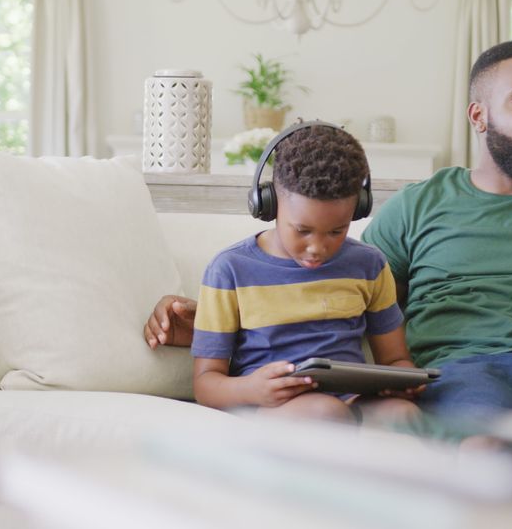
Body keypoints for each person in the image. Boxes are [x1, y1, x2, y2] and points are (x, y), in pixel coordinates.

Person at [147, 40, 512, 433]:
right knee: (478, 430)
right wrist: (207, 325)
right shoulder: (420, 203)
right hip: (464, 372)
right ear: (478, 115)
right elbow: (331, 285)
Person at [149, 122, 422, 425]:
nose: (317, 247)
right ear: (270, 203)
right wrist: (251, 390)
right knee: (325, 413)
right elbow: (206, 384)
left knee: (405, 415)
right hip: (270, 407)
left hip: (350, 401)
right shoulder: (230, 270)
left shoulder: (369, 265)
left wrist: (404, 381)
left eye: (336, 231)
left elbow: (395, 359)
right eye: (303, 230)